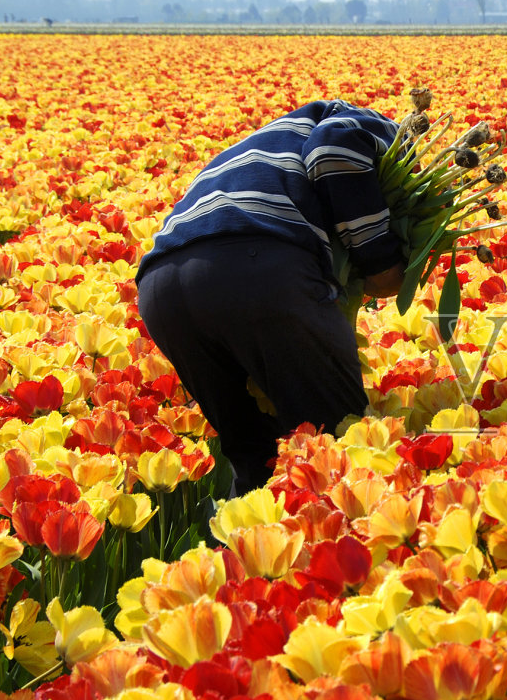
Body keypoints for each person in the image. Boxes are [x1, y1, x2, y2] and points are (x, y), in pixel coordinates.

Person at [135, 100, 407, 495]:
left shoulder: (257, 145)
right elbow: (334, 148)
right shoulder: (369, 127)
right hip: (256, 266)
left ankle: (246, 554)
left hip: (162, 287)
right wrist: (381, 263)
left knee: (255, 458)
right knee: (335, 455)